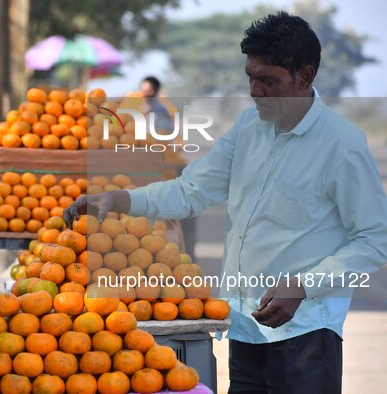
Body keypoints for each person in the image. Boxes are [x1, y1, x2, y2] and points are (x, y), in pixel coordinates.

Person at [65, 12, 387, 393]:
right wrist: (119, 199)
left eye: (269, 81)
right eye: (250, 77)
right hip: (243, 326)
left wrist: (302, 286)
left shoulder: (341, 145)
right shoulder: (249, 128)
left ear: (305, 77)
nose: (255, 90)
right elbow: (191, 190)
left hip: (306, 333)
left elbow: (374, 239)